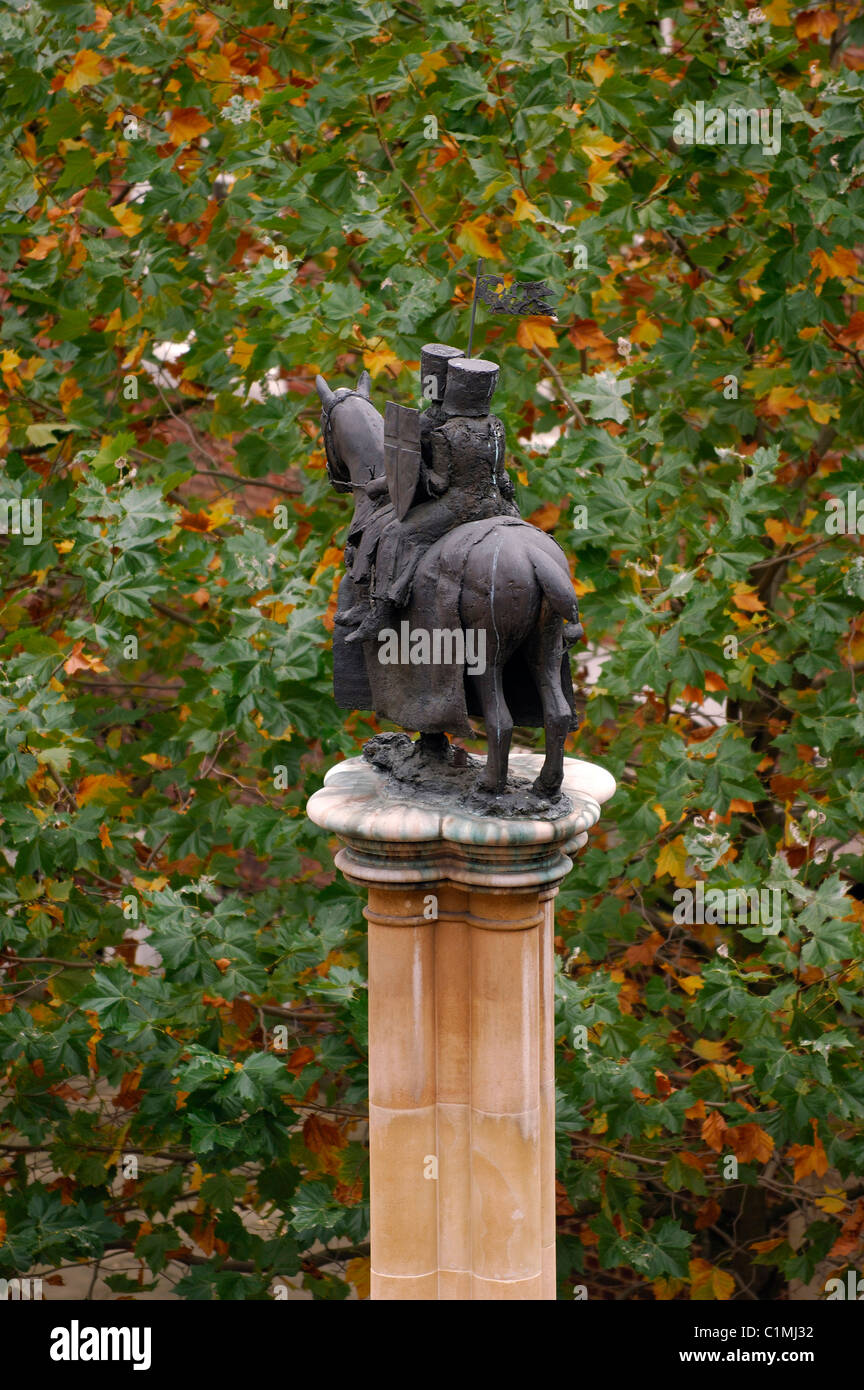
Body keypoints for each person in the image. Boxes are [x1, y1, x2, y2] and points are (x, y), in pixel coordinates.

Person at [345, 354, 520, 644]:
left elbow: (439, 484)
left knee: (396, 534)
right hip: (496, 503)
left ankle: (382, 613)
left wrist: (417, 470)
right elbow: (501, 477)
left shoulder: (445, 432)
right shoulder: (497, 426)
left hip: (459, 507)